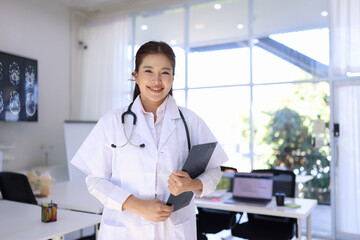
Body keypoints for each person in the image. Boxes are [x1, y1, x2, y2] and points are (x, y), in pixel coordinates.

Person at [71, 41, 228, 240]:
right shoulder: (112, 121)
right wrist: (136, 205)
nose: (157, 80)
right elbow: (95, 180)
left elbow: (214, 171)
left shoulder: (191, 121)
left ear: (172, 78)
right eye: (148, 71)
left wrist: (193, 184)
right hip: (125, 230)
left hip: (174, 230)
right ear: (135, 76)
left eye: (164, 72)